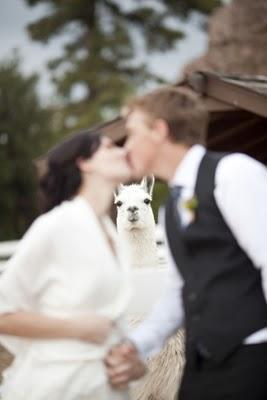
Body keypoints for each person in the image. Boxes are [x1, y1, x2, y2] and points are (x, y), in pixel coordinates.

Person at [105, 87, 267, 400]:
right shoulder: (173, 207)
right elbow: (180, 292)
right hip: (203, 364)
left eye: (133, 133)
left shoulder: (233, 174)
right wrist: (138, 345)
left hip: (252, 358)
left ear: (160, 131)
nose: (127, 145)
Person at [0, 130, 133, 400]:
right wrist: (77, 329)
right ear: (84, 162)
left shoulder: (110, 233)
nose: (123, 151)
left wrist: (133, 363)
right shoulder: (56, 226)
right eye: (109, 147)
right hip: (53, 388)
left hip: (101, 388)